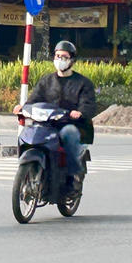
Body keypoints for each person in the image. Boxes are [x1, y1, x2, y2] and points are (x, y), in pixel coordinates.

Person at [17, 40, 97, 181]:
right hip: (47, 124)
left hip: (70, 124)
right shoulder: (46, 81)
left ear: (72, 60)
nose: (60, 60)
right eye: (57, 56)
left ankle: (72, 179)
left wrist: (79, 112)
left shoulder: (83, 83)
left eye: (64, 57)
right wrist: (23, 108)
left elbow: (88, 105)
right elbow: (34, 100)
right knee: (29, 133)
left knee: (69, 133)